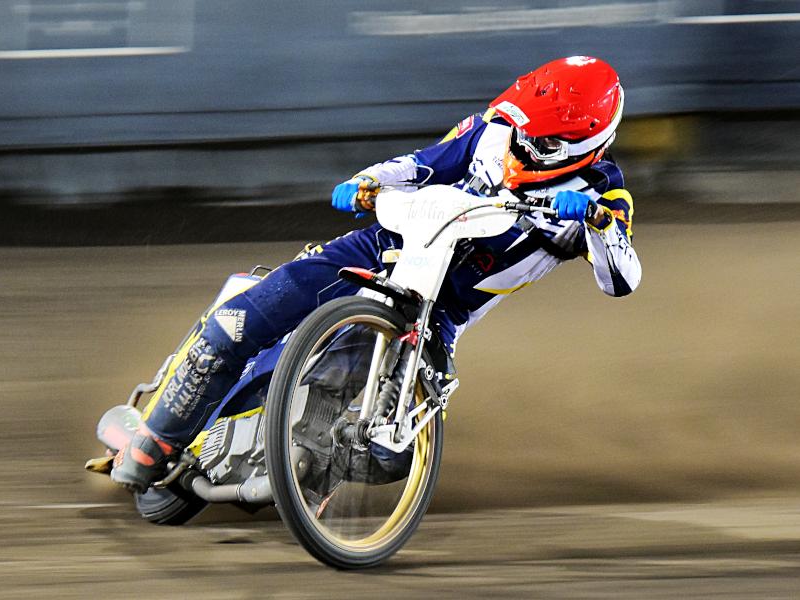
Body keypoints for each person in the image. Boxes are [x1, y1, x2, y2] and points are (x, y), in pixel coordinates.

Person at [111, 55, 642, 492]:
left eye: (541, 142)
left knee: (383, 455)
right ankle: (154, 439)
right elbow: (420, 164)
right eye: (521, 128)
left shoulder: (605, 194)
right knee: (235, 325)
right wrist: (366, 181)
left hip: (437, 317)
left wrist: (597, 223)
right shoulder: (494, 131)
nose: (521, 144)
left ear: (586, 146)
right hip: (382, 247)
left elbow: (622, 279)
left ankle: (303, 475)